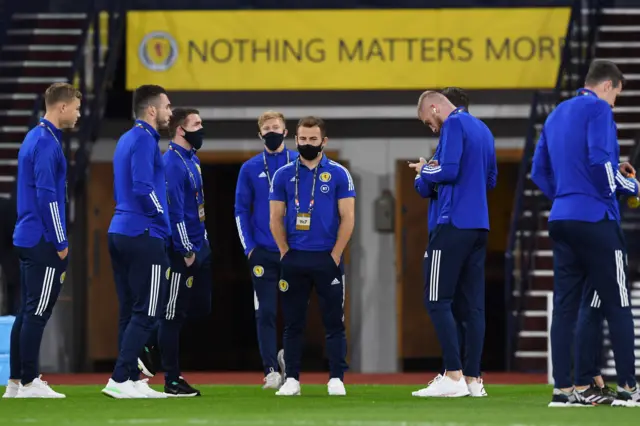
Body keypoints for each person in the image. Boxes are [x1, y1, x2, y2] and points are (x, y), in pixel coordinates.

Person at [531, 59, 640, 407]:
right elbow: (599, 164)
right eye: (616, 96)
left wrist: (567, 195)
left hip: (561, 217)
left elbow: (539, 172)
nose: (614, 105)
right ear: (607, 85)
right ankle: (629, 388)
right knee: (618, 303)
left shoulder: (555, 114)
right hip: (596, 218)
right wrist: (632, 186)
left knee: (564, 307)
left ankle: (563, 391)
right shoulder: (599, 111)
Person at [409, 91, 496, 398]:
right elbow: (490, 180)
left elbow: (447, 171)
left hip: (452, 224)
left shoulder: (453, 125)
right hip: (479, 225)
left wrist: (424, 168)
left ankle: (453, 375)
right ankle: (473, 379)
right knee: (472, 306)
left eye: (427, 119)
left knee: (436, 299)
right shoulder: (483, 129)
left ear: (435, 107)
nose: (430, 126)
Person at [3, 83, 80, 398]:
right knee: (37, 311)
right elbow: (48, 196)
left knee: (26, 310)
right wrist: (61, 240)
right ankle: (31, 380)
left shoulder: (35, 137)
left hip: (28, 234)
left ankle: (15, 382)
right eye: (76, 107)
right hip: (43, 238)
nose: (78, 114)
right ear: (61, 107)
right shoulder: (47, 144)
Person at [269, 116, 355, 396]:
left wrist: (335, 255)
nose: (307, 144)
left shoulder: (339, 173)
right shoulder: (283, 175)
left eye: (313, 140)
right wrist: (284, 252)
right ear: (296, 139)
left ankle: (336, 377)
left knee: (334, 322)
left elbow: (348, 218)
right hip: (294, 258)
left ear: (324, 142)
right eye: (303, 139)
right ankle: (292, 378)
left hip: (327, 259)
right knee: (293, 323)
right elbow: (275, 218)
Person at [101, 85, 172, 399]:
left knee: (129, 311)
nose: (171, 112)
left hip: (120, 229)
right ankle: (119, 378)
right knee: (148, 311)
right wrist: (164, 221)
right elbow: (144, 188)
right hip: (144, 233)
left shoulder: (126, 138)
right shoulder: (145, 139)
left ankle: (128, 378)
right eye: (168, 106)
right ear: (152, 110)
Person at [234, 110, 296, 389]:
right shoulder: (249, 168)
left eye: (276, 127)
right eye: (267, 128)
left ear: (286, 131)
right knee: (266, 311)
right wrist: (249, 248)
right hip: (262, 251)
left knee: (296, 311)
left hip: (294, 250)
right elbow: (240, 211)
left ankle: (288, 358)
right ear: (260, 135)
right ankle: (271, 368)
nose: (272, 132)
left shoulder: (299, 162)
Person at [157, 108, 211, 397]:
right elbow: (174, 211)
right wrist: (186, 249)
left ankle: (152, 345)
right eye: (197, 124)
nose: (202, 128)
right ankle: (171, 378)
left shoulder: (193, 159)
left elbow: (196, 205)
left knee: (201, 308)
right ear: (180, 129)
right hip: (183, 250)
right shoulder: (172, 165)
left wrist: (203, 240)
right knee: (172, 315)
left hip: (200, 244)